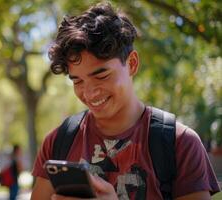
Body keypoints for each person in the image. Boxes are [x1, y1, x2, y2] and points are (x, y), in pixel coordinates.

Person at [31, 2, 220, 200]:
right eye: (77, 80)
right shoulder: (59, 141)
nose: (90, 92)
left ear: (132, 63)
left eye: (101, 75)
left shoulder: (179, 143)